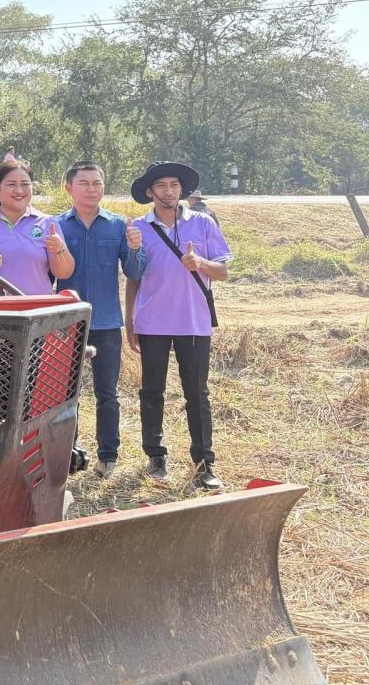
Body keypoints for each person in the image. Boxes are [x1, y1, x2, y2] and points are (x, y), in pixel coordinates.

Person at [125, 161, 232, 491]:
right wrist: (130, 319)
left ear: (182, 189)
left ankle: (204, 462)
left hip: (194, 321)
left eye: (174, 185)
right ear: (149, 192)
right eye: (161, 186)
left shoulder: (203, 223)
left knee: (197, 393)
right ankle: (155, 457)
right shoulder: (138, 229)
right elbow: (133, 277)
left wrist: (199, 263)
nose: (169, 191)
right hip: (153, 321)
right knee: (152, 391)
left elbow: (223, 271)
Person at [55, 162, 147, 478]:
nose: (91, 188)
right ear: (69, 188)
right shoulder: (56, 227)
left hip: (107, 323)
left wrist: (136, 249)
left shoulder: (119, 226)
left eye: (97, 183)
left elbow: (135, 272)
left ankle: (108, 455)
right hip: (67, 323)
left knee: (107, 393)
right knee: (67, 394)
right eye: (84, 183)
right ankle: (69, 451)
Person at [0, 159, 74, 294]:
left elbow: (64, 273)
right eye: (11, 184)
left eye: (25, 184)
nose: (19, 190)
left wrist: (59, 249)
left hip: (36, 309)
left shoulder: (47, 222)